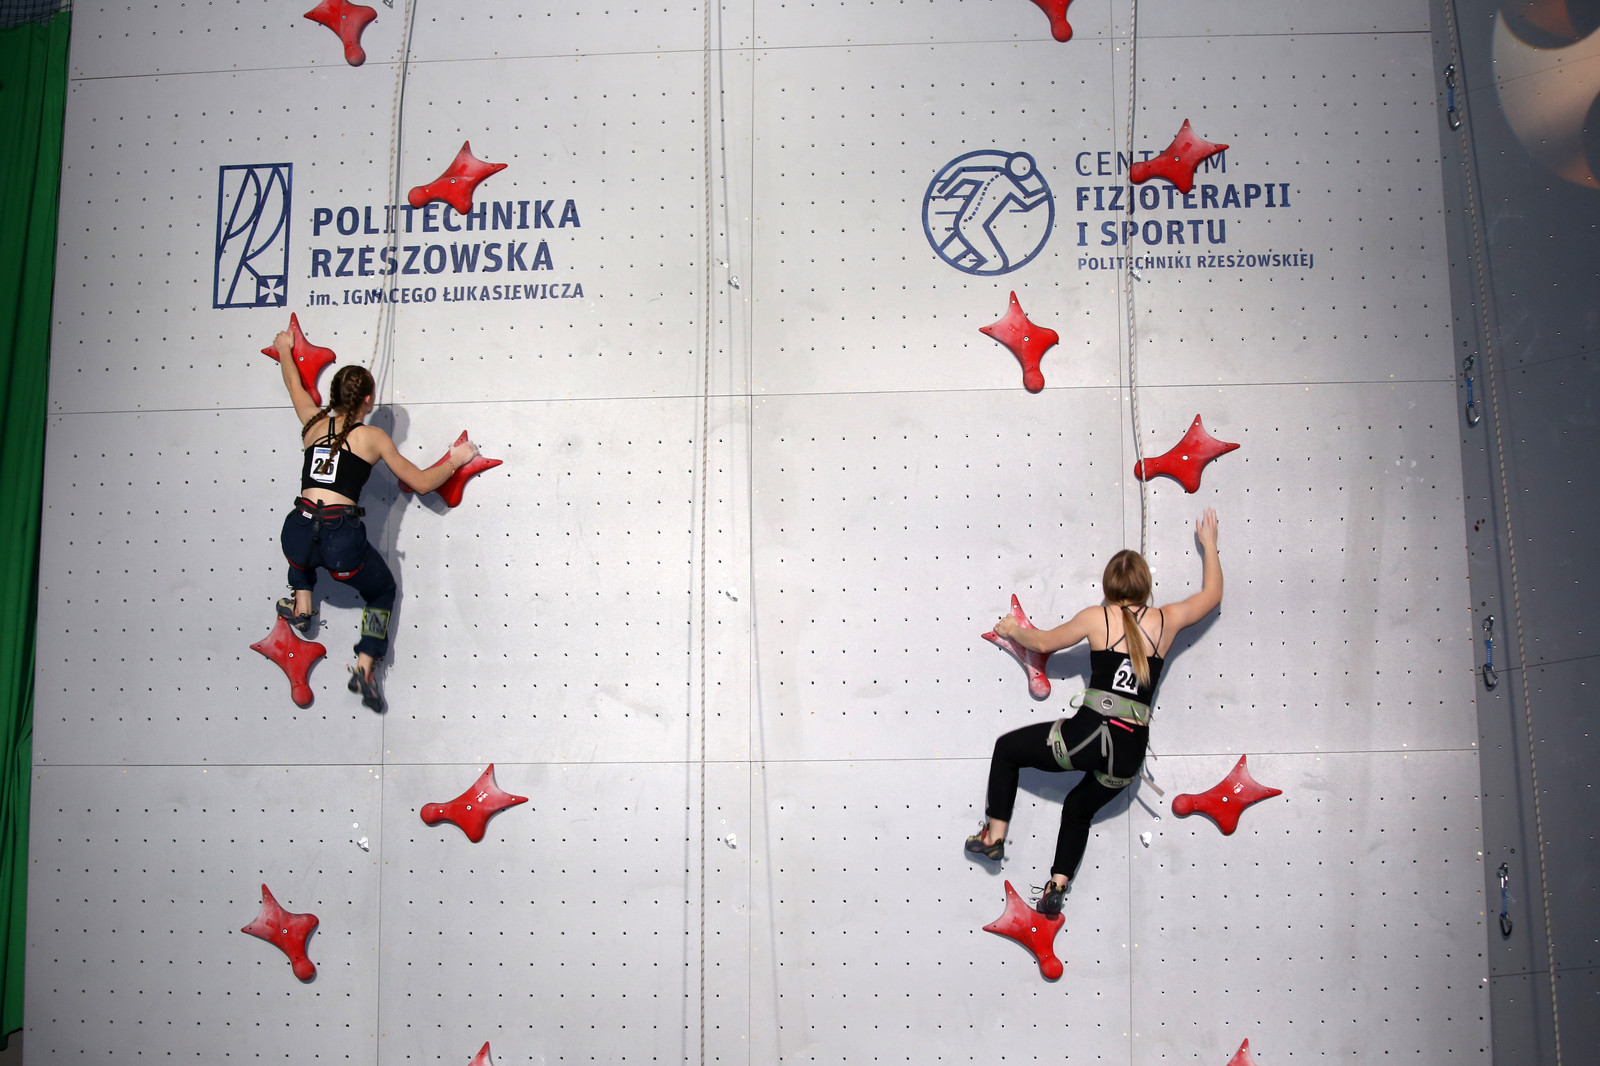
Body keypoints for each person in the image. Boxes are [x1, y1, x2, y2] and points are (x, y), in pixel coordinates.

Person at [966, 509, 1222, 915]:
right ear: (1146, 586)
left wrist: (1012, 630)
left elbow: (1043, 642)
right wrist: (1209, 545)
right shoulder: (1167, 620)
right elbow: (1211, 596)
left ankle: (994, 837)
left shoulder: (1096, 618)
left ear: (1107, 587)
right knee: (1079, 808)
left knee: (1008, 750)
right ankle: (1057, 885)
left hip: (1086, 736)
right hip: (1128, 755)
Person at [272, 326, 478, 711]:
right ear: (367, 400)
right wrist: (456, 460)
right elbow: (420, 482)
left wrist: (285, 349)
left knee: (301, 552)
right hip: (339, 541)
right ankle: (364, 666)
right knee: (381, 592)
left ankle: (302, 606)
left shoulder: (311, 421)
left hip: (296, 529)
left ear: (334, 395)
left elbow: (293, 385)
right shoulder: (372, 438)